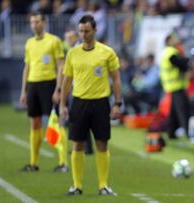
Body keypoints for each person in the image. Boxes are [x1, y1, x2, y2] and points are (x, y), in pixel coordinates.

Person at [60, 15, 122, 196]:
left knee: (102, 144)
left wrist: (117, 103)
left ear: (95, 30)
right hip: (79, 103)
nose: (83, 35)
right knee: (77, 144)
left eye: (87, 31)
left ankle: (103, 185)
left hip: (101, 103)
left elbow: (116, 79)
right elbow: (66, 81)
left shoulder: (107, 52)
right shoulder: (72, 53)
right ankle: (77, 186)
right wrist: (63, 103)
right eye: (81, 31)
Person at [19, 12, 65, 172]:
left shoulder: (54, 41)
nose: (35, 25)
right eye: (32, 22)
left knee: (55, 122)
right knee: (34, 122)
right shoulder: (29, 43)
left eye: (37, 21)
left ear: (44, 23)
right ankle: (34, 162)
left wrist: (58, 89)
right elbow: (27, 67)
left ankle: (62, 162)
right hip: (33, 84)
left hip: (49, 84)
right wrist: (23, 91)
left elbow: (61, 66)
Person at [160, 33, 190, 139]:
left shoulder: (166, 52)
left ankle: (171, 132)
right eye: (174, 39)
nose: (176, 40)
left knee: (173, 113)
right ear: (168, 41)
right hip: (176, 86)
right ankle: (188, 133)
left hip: (171, 86)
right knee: (183, 111)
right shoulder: (171, 52)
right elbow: (183, 65)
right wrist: (186, 59)